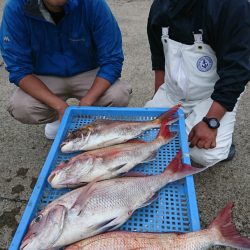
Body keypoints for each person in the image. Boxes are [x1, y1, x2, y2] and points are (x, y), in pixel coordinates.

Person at [0, 0, 132, 139]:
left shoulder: (93, 3)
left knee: (118, 95)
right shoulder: (16, 7)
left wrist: (88, 101)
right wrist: (59, 106)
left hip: (88, 71)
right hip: (44, 76)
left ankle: (92, 123)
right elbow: (19, 68)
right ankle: (58, 119)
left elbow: (112, 59)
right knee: (21, 107)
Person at [145, 0, 250, 167]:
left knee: (203, 154)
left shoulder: (232, 6)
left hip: (212, 94)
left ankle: (224, 136)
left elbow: (237, 72)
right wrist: (159, 100)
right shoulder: (159, 6)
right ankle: (189, 118)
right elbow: (159, 61)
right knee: (147, 133)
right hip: (173, 91)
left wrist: (211, 122)